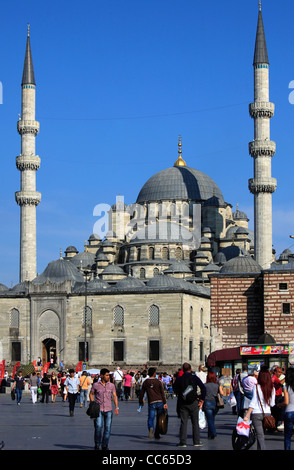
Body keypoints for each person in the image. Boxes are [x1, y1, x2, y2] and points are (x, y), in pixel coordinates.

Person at [173, 362, 206, 448]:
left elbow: (174, 388)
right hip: (194, 402)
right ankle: (196, 441)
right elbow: (203, 387)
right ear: (191, 369)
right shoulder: (194, 377)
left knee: (184, 422)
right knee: (195, 422)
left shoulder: (179, 379)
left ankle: (183, 442)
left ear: (183, 370)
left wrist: (180, 394)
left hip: (183, 403)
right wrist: (201, 398)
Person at [243, 369, 275, 450]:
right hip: (267, 414)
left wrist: (247, 415)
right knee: (261, 434)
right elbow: (272, 404)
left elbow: (253, 402)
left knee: (260, 435)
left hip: (256, 414)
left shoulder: (256, 387)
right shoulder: (272, 388)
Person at [89, 368, 119, 451]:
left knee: (107, 428)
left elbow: (115, 396)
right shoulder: (95, 385)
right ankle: (97, 444)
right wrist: (92, 403)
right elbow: (91, 394)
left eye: (108, 375)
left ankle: (105, 445)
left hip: (108, 409)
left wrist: (116, 407)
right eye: (106, 375)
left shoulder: (111, 385)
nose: (108, 377)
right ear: (101, 376)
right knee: (98, 427)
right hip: (98, 409)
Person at [139, 367, 168, 440]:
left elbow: (141, 393)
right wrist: (165, 402)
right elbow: (162, 393)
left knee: (151, 418)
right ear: (154, 373)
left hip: (152, 402)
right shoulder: (158, 382)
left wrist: (140, 402)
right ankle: (157, 434)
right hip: (160, 401)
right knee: (159, 418)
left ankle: (151, 428)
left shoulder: (145, 382)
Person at [203, 371, 224, 440]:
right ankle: (210, 434)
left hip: (207, 402)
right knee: (212, 418)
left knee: (209, 419)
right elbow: (222, 393)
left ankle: (213, 432)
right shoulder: (217, 385)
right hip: (215, 403)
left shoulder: (205, 385)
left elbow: (202, 394)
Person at [271, 366, 285, 430]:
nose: (280, 374)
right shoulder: (274, 377)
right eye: (279, 372)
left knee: (276, 411)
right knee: (276, 411)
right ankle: (274, 426)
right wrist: (286, 377)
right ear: (275, 372)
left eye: (281, 372)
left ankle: (274, 426)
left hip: (277, 395)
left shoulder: (274, 377)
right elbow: (280, 383)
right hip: (276, 396)